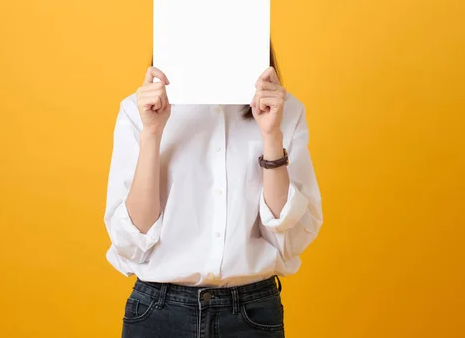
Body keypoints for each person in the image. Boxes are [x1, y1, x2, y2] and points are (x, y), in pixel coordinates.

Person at [104, 45, 323, 337]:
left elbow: (289, 239)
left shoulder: (285, 110)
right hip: (159, 313)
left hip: (251, 315)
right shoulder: (138, 110)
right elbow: (131, 238)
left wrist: (271, 135)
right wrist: (152, 134)